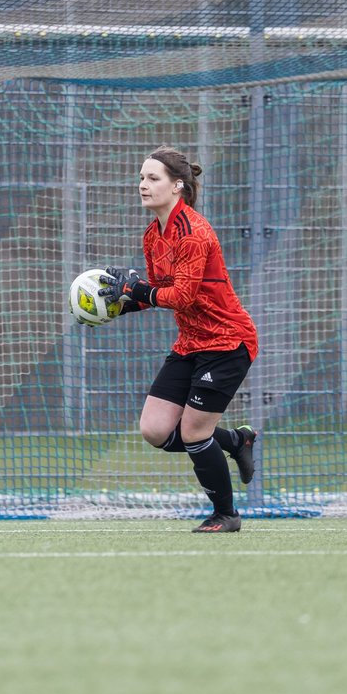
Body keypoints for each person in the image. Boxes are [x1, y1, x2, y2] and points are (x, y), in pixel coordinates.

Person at [96, 145, 259, 533]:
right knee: (155, 430)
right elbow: (160, 291)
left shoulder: (193, 233)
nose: (142, 185)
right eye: (141, 177)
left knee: (194, 432)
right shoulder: (153, 235)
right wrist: (122, 303)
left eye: (153, 178)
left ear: (178, 186)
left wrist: (138, 291)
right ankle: (236, 442)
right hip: (190, 342)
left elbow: (181, 296)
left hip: (226, 343)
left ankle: (226, 515)